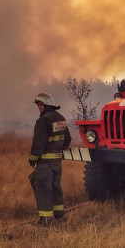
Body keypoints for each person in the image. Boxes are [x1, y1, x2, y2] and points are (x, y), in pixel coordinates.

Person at [29, 93, 71, 226]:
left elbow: (38, 144)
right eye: (38, 105)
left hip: (45, 163)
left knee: (43, 189)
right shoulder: (61, 118)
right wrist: (59, 148)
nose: (39, 107)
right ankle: (58, 214)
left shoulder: (43, 120)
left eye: (40, 104)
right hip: (57, 162)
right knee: (55, 186)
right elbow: (67, 139)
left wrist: (32, 159)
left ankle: (46, 220)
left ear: (47, 105)